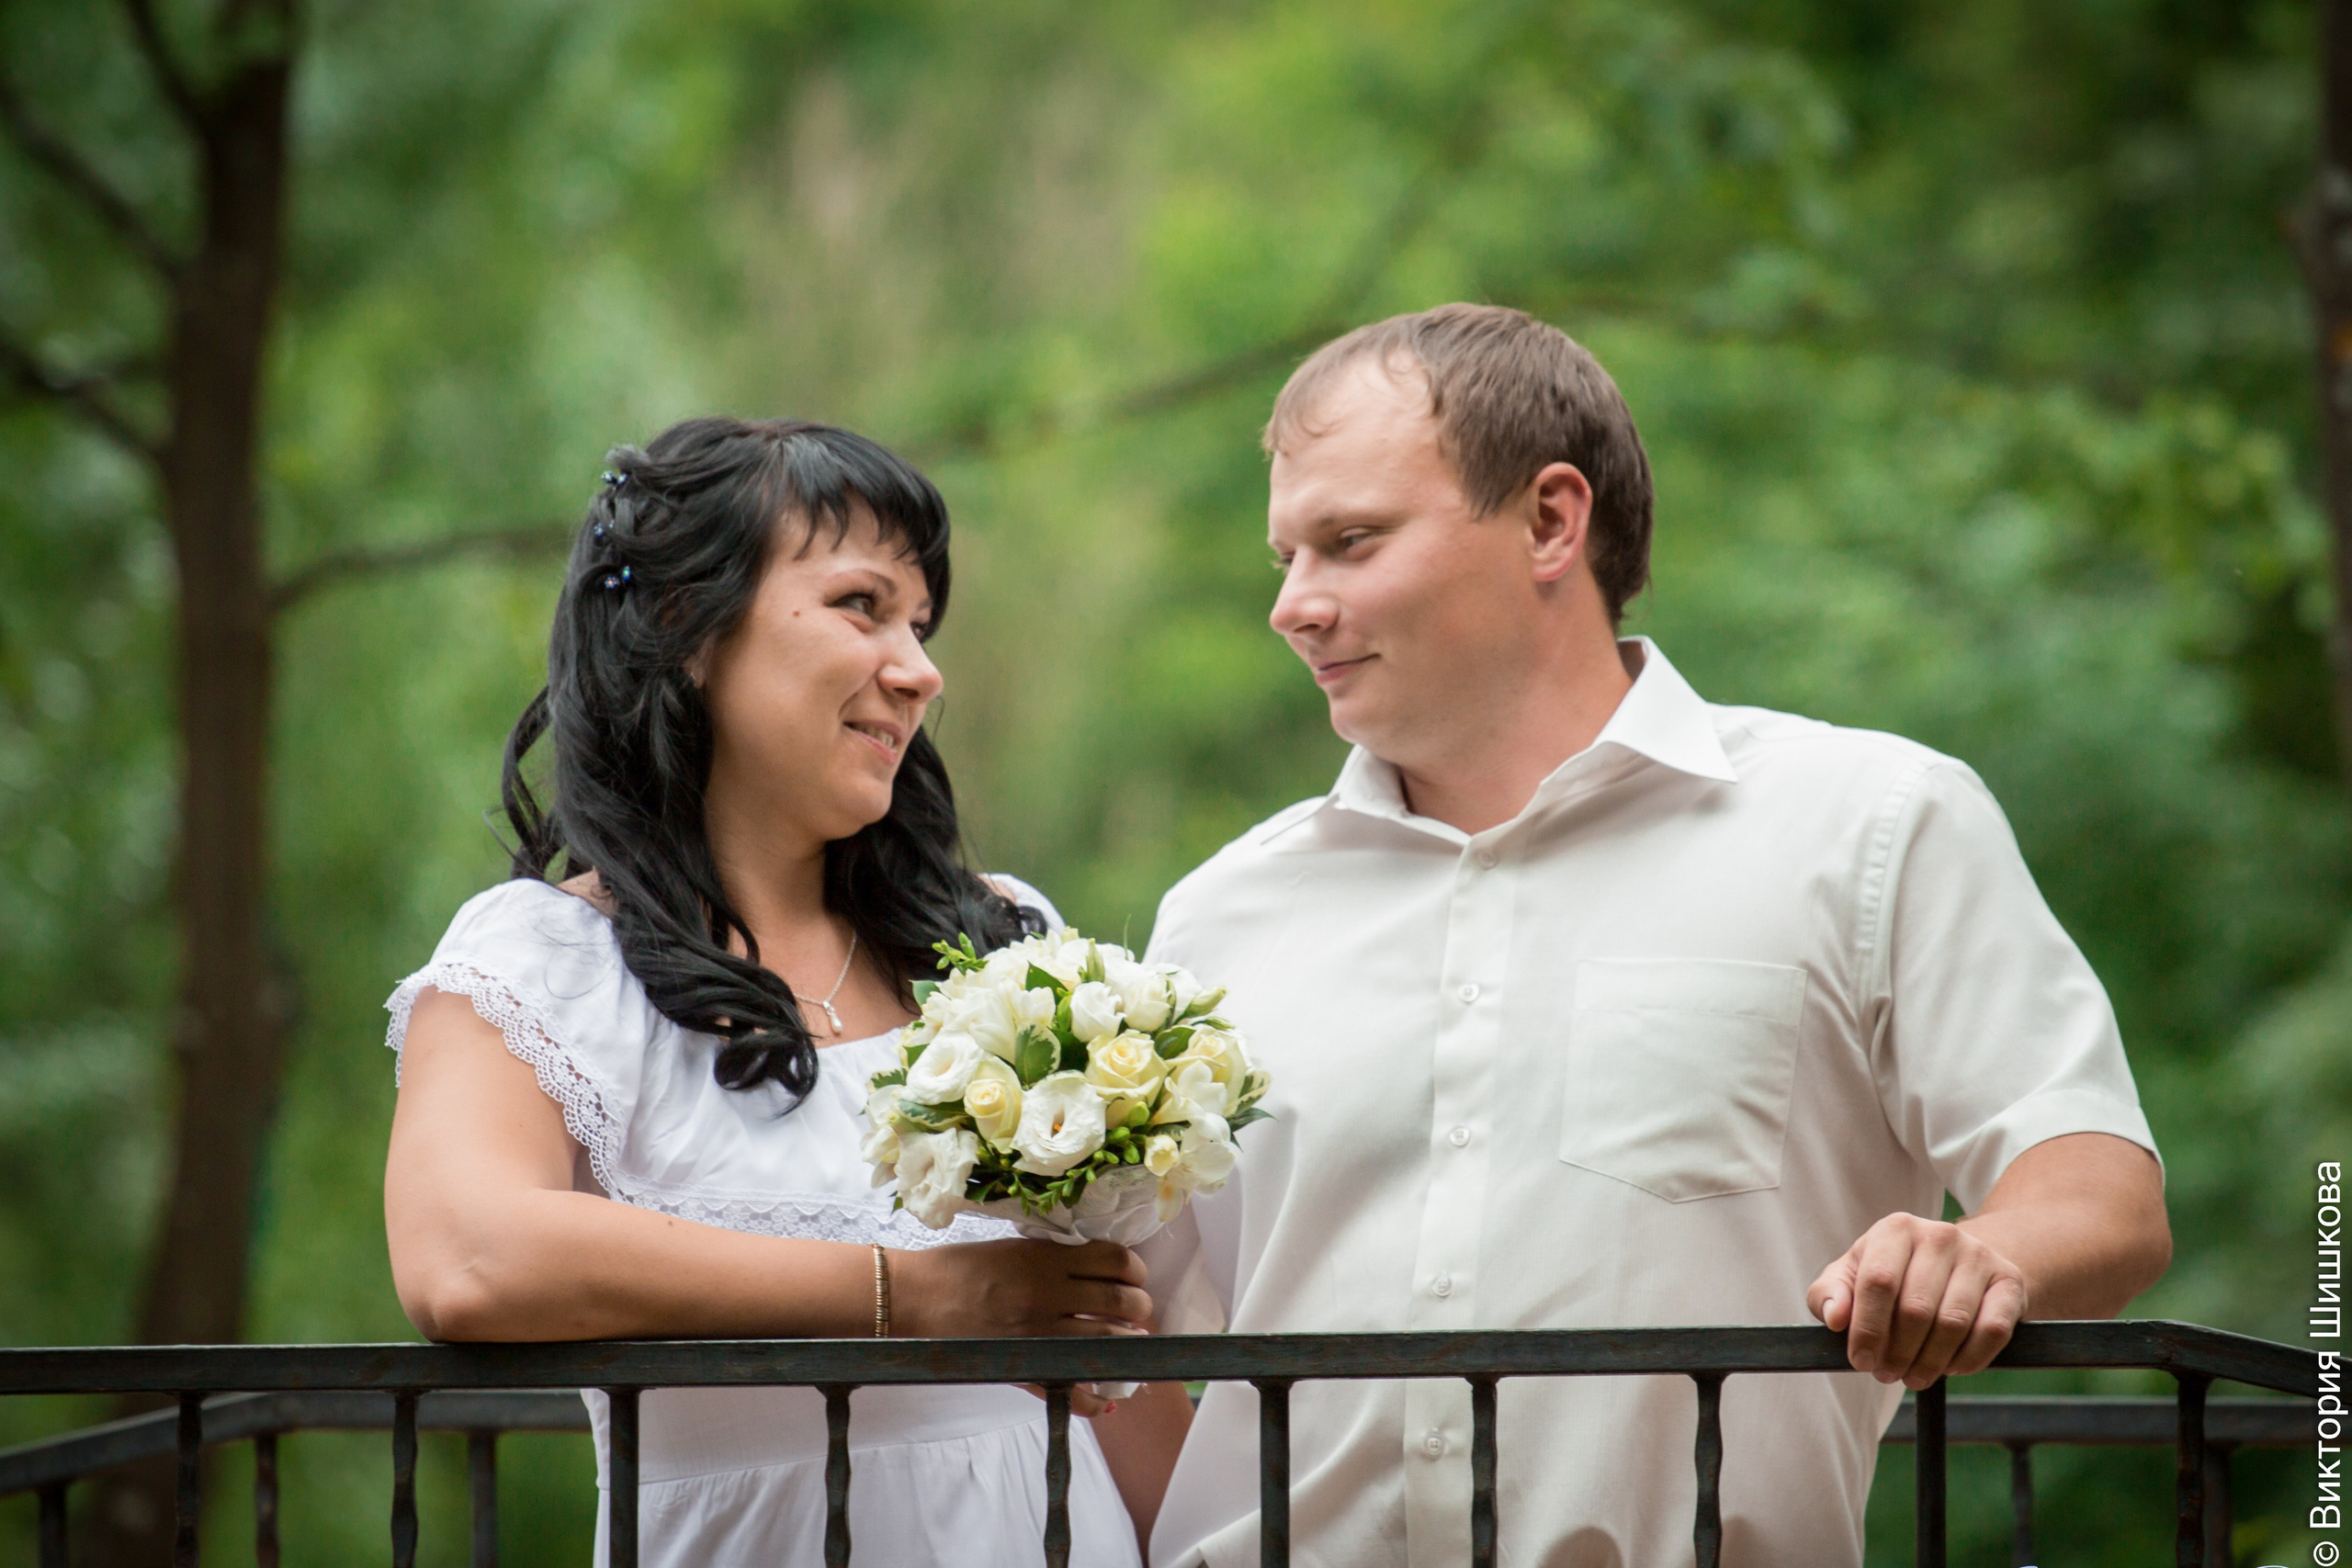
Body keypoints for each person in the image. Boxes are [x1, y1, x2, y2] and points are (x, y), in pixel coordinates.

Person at [1132, 305, 2174, 1566]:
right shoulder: (1219, 911)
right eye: (1286, 555)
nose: (1295, 605)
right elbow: (1120, 1338)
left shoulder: (1871, 825)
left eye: (1350, 542)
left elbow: (2103, 1195)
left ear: (1552, 522)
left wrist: (1978, 1253)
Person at [381, 416, 1192, 1567]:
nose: (918, 669)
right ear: (683, 626)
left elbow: (1118, 1365)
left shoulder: (1006, 943)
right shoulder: (543, 962)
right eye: (862, 606)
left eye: (919, 623)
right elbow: (466, 1257)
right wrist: (914, 1300)